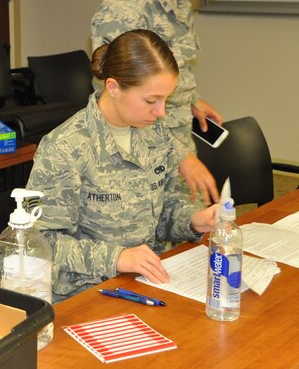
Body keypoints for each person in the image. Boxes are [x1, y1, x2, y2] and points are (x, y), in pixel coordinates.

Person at [27, 30, 217, 302]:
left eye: (166, 100)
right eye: (151, 101)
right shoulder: (65, 147)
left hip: (146, 283)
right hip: (87, 294)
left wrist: (192, 220)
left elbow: (164, 207)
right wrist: (117, 258)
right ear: (113, 88)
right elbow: (39, 244)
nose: (161, 112)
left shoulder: (156, 134)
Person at [91, 0, 235, 204]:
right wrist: (181, 155)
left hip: (173, 152)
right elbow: (121, 103)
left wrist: (191, 99)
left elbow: (166, 73)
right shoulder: (126, 11)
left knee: (191, 236)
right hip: (134, 166)